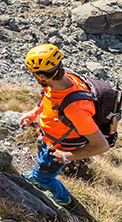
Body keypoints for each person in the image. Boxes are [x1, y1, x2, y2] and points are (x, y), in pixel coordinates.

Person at [19, 44, 110, 206]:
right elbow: (47, 93)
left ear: (41, 76)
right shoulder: (64, 75)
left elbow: (101, 146)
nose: (33, 77)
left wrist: (66, 157)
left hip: (58, 148)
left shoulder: (77, 109)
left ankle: (62, 198)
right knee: (41, 162)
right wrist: (35, 111)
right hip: (49, 138)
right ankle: (37, 174)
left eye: (33, 74)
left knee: (45, 177)